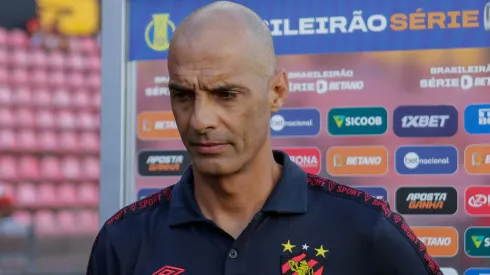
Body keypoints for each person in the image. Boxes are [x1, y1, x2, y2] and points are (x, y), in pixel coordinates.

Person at [87, 1, 443, 274]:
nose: (200, 120)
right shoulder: (123, 242)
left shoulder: (367, 230)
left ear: (277, 92)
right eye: (183, 95)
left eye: (226, 94)